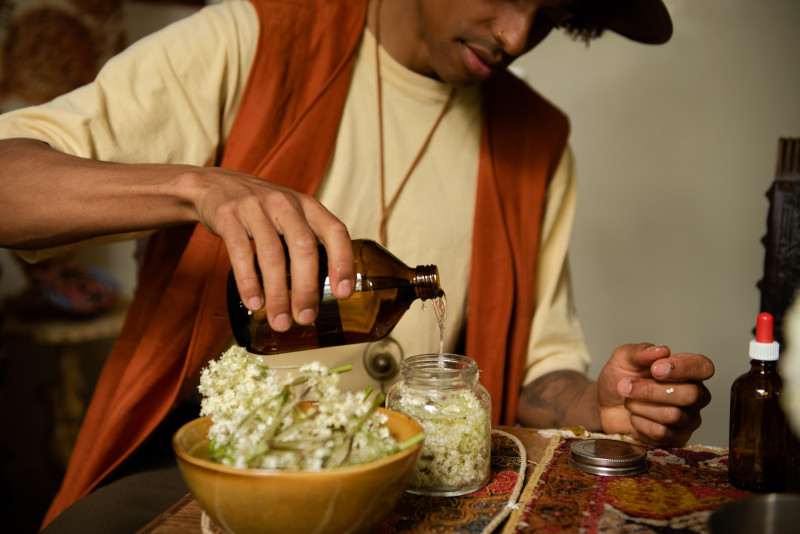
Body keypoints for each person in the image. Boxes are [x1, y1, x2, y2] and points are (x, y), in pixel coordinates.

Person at [0, 0, 714, 531]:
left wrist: (599, 407)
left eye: (549, 15)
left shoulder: (538, 140)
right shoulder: (257, 39)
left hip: (415, 475)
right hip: (221, 464)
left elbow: (538, 365)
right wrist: (197, 186)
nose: (516, 36)